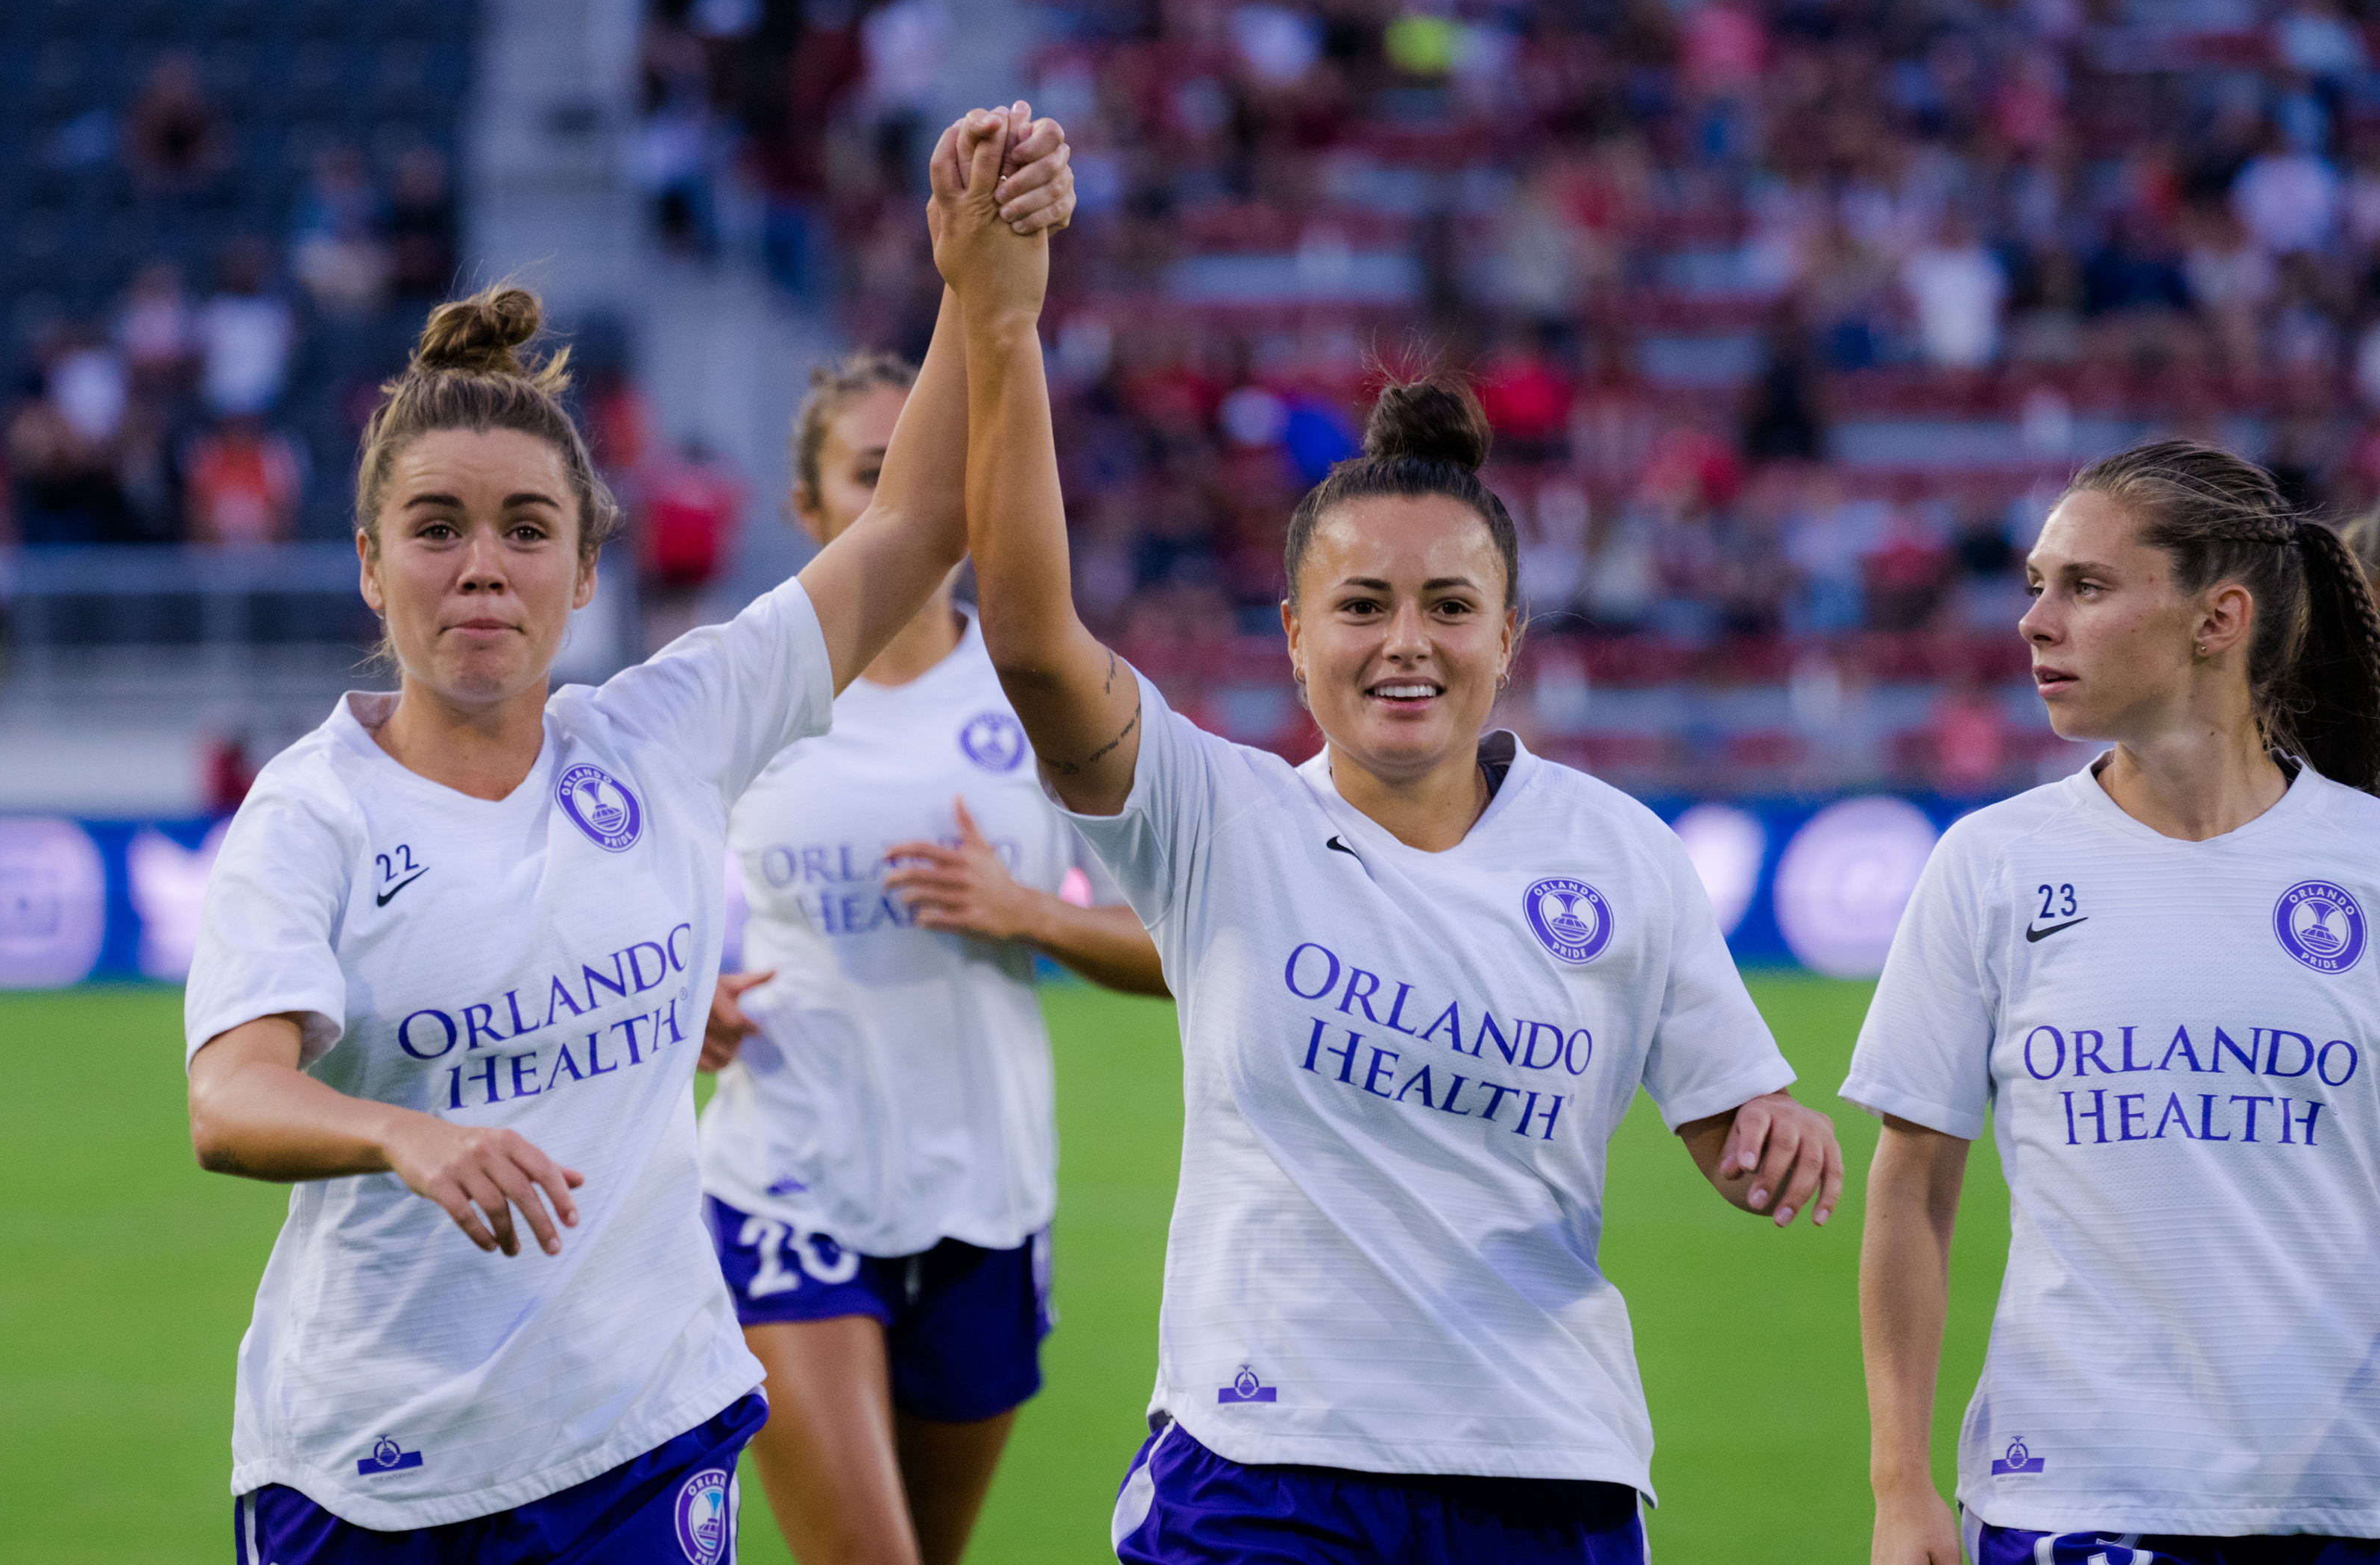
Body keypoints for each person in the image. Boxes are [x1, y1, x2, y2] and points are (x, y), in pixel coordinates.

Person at [179, 107, 1075, 1565]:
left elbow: (914, 524)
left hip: (640, 1439)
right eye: (436, 527)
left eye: (528, 528)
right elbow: (230, 1098)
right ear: (370, 564)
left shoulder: (668, 730)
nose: (483, 566)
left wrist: (980, 289)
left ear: (588, 567)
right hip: (369, 1467)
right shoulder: (313, 807)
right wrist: (401, 1132)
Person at [946, 126, 1845, 1557]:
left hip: (1542, 1471)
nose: (1405, 642)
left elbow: (1730, 1118)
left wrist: (1770, 1137)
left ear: (1511, 635)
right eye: (1361, 606)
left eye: (1449, 606)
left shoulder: (1619, 855)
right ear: (1295, 636)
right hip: (1261, 1470)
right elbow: (1036, 645)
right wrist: (1001, 324)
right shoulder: (1221, 817)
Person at [1849, 440, 2380, 1565]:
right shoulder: (1992, 863)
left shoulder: (2367, 862)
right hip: (2075, 1489)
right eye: (2037, 584)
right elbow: (1913, 1186)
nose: (2035, 621)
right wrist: (1901, 1485)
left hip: (2341, 1495)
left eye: (2085, 587)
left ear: (2217, 618)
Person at [695, 347, 1163, 1565]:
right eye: (874, 471)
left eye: (936, 467)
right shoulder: (742, 691)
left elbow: (1201, 942)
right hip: (787, 1184)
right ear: (807, 508)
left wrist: (1034, 913)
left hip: (986, 1198)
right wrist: (684, 996)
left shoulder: (1039, 685)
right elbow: (610, 898)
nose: (914, 496)